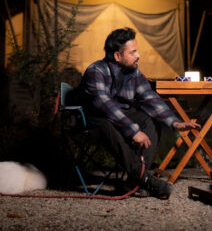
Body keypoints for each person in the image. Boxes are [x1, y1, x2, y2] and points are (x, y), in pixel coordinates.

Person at [73, 27, 201, 199]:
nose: (138, 55)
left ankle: (135, 181)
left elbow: (150, 99)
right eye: (133, 52)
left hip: (118, 117)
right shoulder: (96, 71)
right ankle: (144, 179)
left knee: (151, 120)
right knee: (106, 123)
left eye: (137, 51)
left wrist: (174, 122)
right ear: (118, 56)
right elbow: (104, 105)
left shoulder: (134, 72)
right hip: (90, 121)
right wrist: (133, 131)